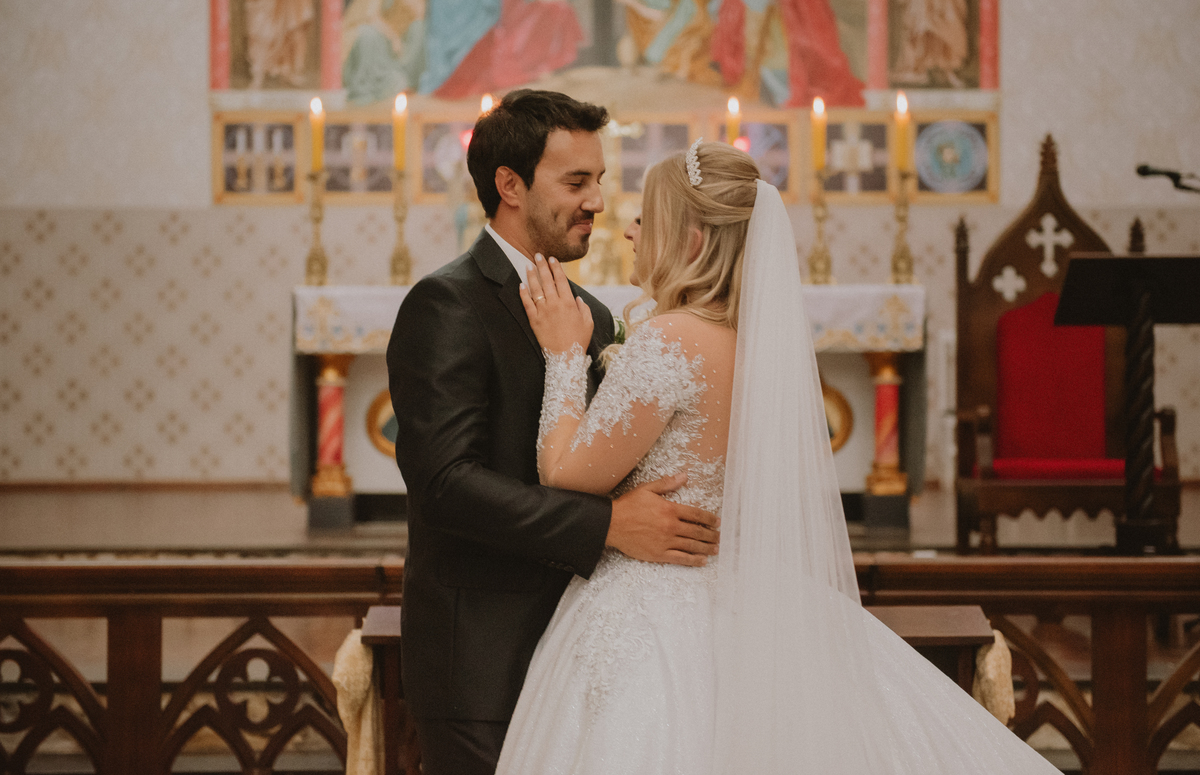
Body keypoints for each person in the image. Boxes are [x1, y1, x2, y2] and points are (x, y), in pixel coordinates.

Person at [495, 139, 1061, 773]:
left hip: (654, 602)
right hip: (740, 590)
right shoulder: (752, 339)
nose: (628, 230)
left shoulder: (671, 339)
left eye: (647, 218)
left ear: (692, 241)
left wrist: (563, 354)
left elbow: (564, 473)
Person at [386, 90, 721, 775]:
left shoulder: (592, 313)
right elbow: (445, 484)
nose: (597, 200)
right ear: (510, 185)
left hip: (587, 648)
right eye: (575, 182)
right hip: (480, 660)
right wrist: (607, 525)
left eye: (598, 179)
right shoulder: (448, 303)